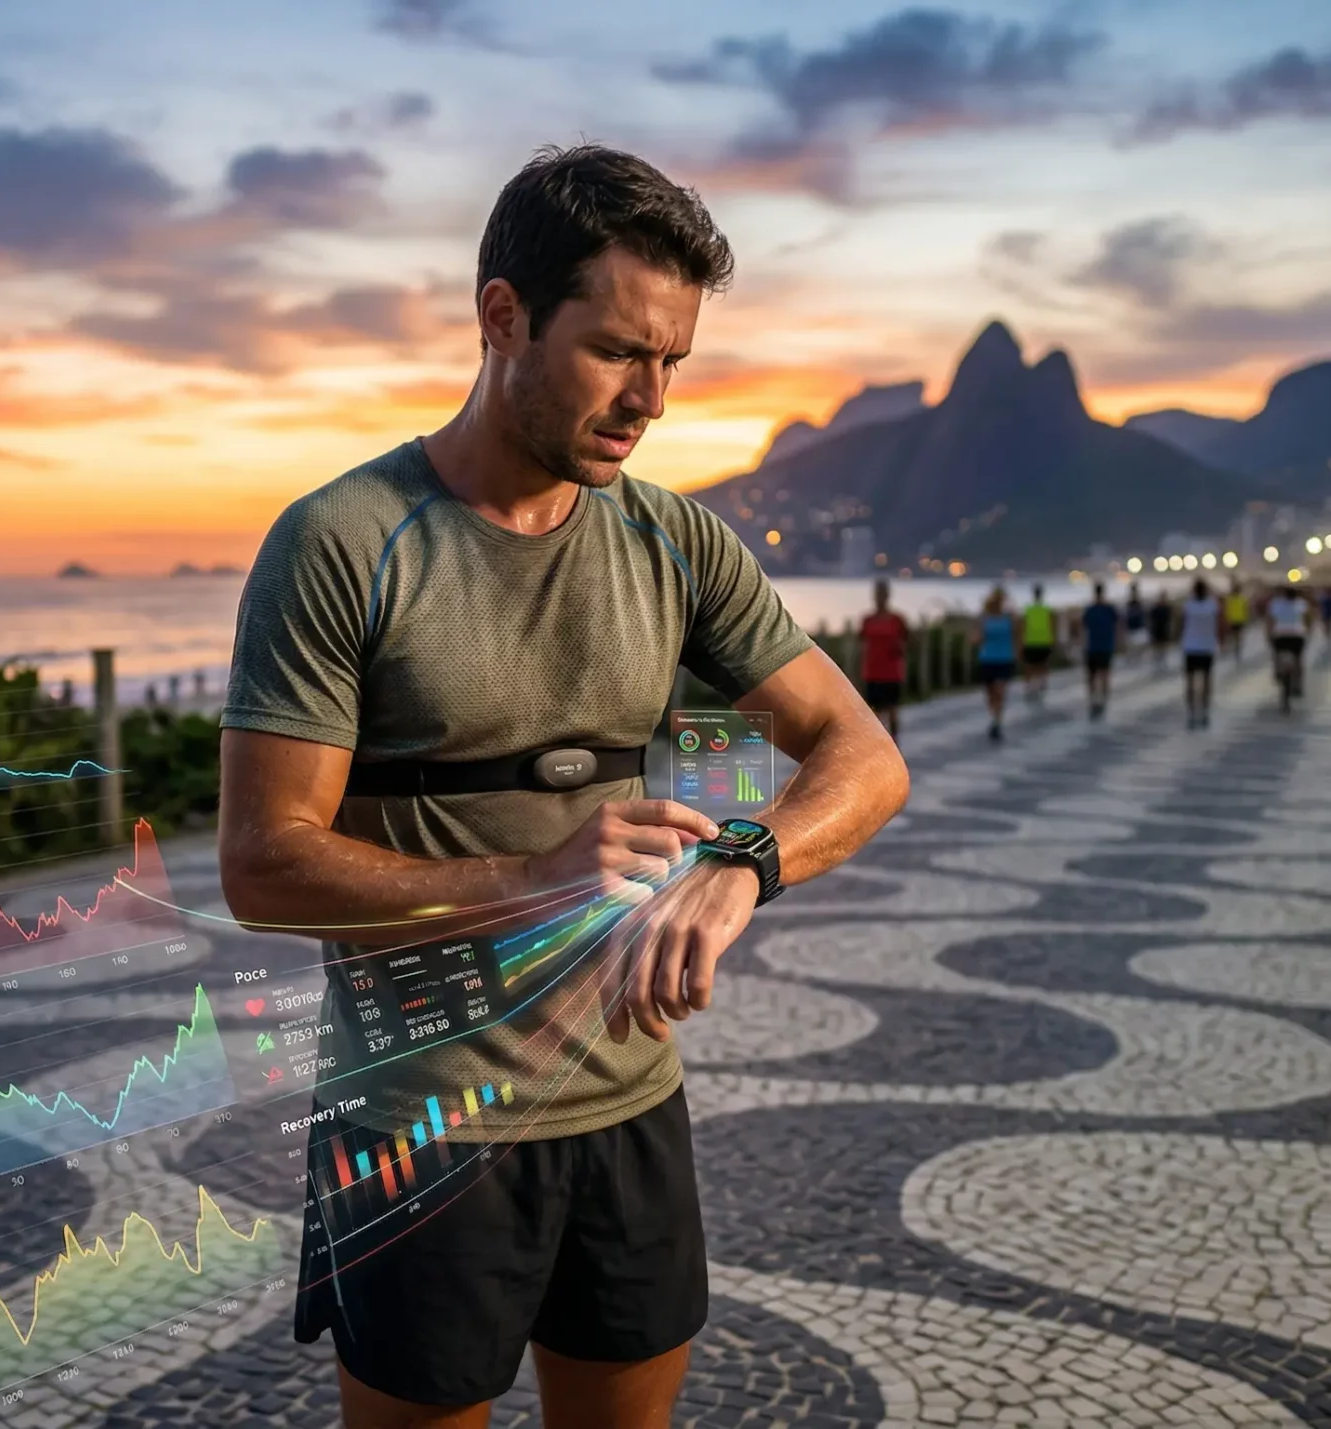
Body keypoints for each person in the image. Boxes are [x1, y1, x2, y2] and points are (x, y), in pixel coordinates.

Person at [216, 144, 909, 1429]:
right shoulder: (344, 542)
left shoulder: (673, 536)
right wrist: (531, 880)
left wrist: (742, 864)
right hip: (421, 1124)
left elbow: (863, 754)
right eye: (614, 352)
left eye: (673, 362)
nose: (650, 398)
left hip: (631, 1104)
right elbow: (261, 864)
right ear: (502, 315)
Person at [861, 579, 911, 741]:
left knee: (892, 711)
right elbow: (861, 644)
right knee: (873, 714)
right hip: (872, 671)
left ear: (888, 596)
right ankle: (877, 746)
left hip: (892, 672)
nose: (880, 598)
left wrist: (900, 650)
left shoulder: (897, 619)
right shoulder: (867, 620)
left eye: (883, 594)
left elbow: (909, 640)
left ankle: (894, 744)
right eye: (877, 594)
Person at [1178, 578, 1226, 728]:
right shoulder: (1213, 605)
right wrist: (1221, 641)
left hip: (1190, 647)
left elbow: (1180, 624)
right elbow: (1220, 624)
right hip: (1207, 647)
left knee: (1190, 681)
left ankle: (1191, 711)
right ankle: (1205, 711)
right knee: (1206, 681)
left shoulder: (1187, 605)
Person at [974, 586, 1017, 742]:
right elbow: (978, 637)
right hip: (987, 659)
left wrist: (1017, 653)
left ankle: (997, 721)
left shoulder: (1009, 618)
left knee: (1000, 691)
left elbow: (1016, 636)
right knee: (990, 693)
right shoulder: (985, 618)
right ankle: (994, 716)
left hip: (1004, 658)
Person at [1079, 581, 1120, 718]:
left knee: (1093, 676)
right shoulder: (1108, 609)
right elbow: (1117, 625)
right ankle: (1102, 699)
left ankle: (1094, 700)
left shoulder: (1091, 609)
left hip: (1094, 647)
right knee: (1103, 675)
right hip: (1104, 646)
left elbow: (1083, 628)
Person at [1265, 583, 1310, 703]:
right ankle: (1298, 683)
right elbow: (1308, 619)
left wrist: (1269, 635)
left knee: (1277, 655)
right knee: (1298, 659)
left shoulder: (1276, 603)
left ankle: (1278, 672)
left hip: (1280, 634)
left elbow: (1270, 621)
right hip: (1297, 634)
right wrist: (1307, 631)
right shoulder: (1302, 603)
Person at [1017, 583, 1058, 705]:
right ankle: (1041, 683)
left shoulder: (1028, 609)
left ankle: (1030, 686)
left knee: (1029, 665)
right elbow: (1052, 625)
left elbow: (1022, 625)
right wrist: (1053, 638)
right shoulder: (1047, 609)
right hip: (1044, 640)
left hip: (1030, 641)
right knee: (1042, 664)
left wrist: (1021, 641)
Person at [1148, 587, 1175, 669]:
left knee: (1163, 646)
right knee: (1158, 646)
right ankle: (1158, 662)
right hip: (1158, 628)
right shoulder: (1157, 608)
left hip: (1163, 628)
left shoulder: (1167, 608)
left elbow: (1170, 619)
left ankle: (1162, 661)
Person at [1222, 582, 1250, 661]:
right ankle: (1235, 650)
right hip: (1236, 620)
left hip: (1235, 620)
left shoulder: (1233, 599)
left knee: (1235, 637)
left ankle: (1235, 650)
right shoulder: (1241, 599)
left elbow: (1245, 610)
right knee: (1235, 637)